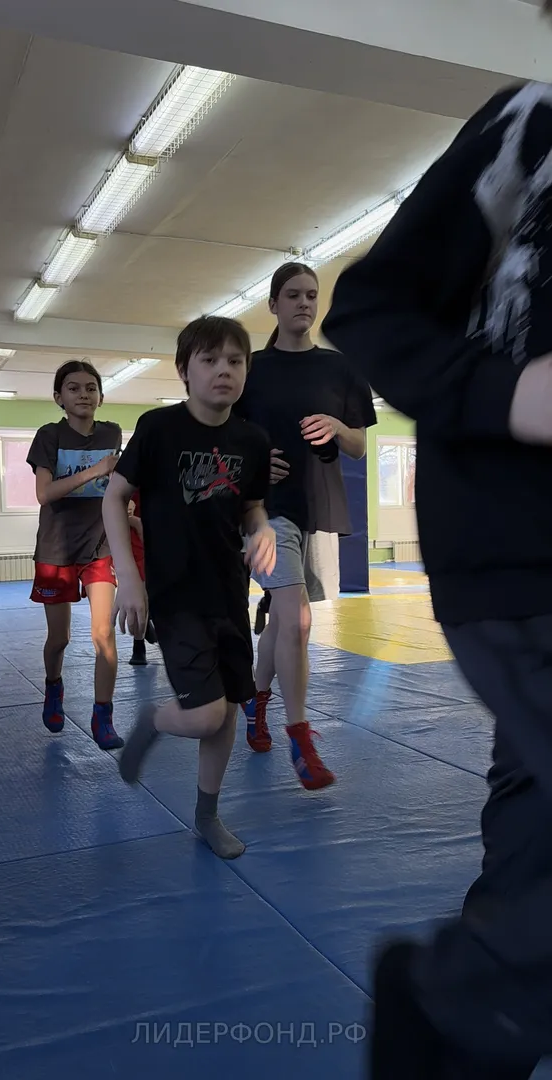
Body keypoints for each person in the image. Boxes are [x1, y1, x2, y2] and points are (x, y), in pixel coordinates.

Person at [322, 27, 552, 1078]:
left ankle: (470, 1022)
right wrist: (504, 394)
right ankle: (460, 1003)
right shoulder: (529, 128)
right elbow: (369, 306)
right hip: (522, 557)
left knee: (535, 827)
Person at [102, 315, 275, 860]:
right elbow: (114, 497)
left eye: (235, 361)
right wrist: (129, 577)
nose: (224, 370)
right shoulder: (158, 429)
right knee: (205, 714)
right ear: (184, 370)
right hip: (175, 596)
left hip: (229, 593)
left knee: (227, 708)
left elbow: (251, 506)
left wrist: (263, 529)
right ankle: (154, 719)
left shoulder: (251, 439)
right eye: (210, 360)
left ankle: (207, 815)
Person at [235, 262, 376, 789]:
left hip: (312, 506)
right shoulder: (251, 369)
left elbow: (359, 445)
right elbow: (225, 437)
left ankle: (256, 701)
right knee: (297, 619)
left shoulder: (341, 369)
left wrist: (338, 425)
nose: (304, 303)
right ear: (273, 304)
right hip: (263, 511)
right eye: (292, 295)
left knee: (283, 619)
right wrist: (253, 463)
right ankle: (300, 734)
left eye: (311, 295)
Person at [26, 359, 124, 751]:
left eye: (90, 387)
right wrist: (94, 470)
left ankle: (103, 714)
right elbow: (44, 494)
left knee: (103, 634)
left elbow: (115, 485)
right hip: (56, 548)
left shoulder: (112, 432)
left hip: (99, 545)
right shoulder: (49, 435)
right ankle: (54, 686)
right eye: (73, 388)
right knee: (59, 638)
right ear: (59, 398)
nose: (83, 394)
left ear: (100, 396)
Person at [127, 491, 157, 666]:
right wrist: (134, 521)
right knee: (140, 592)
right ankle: (138, 645)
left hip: (155, 532)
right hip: (135, 540)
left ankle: (147, 619)